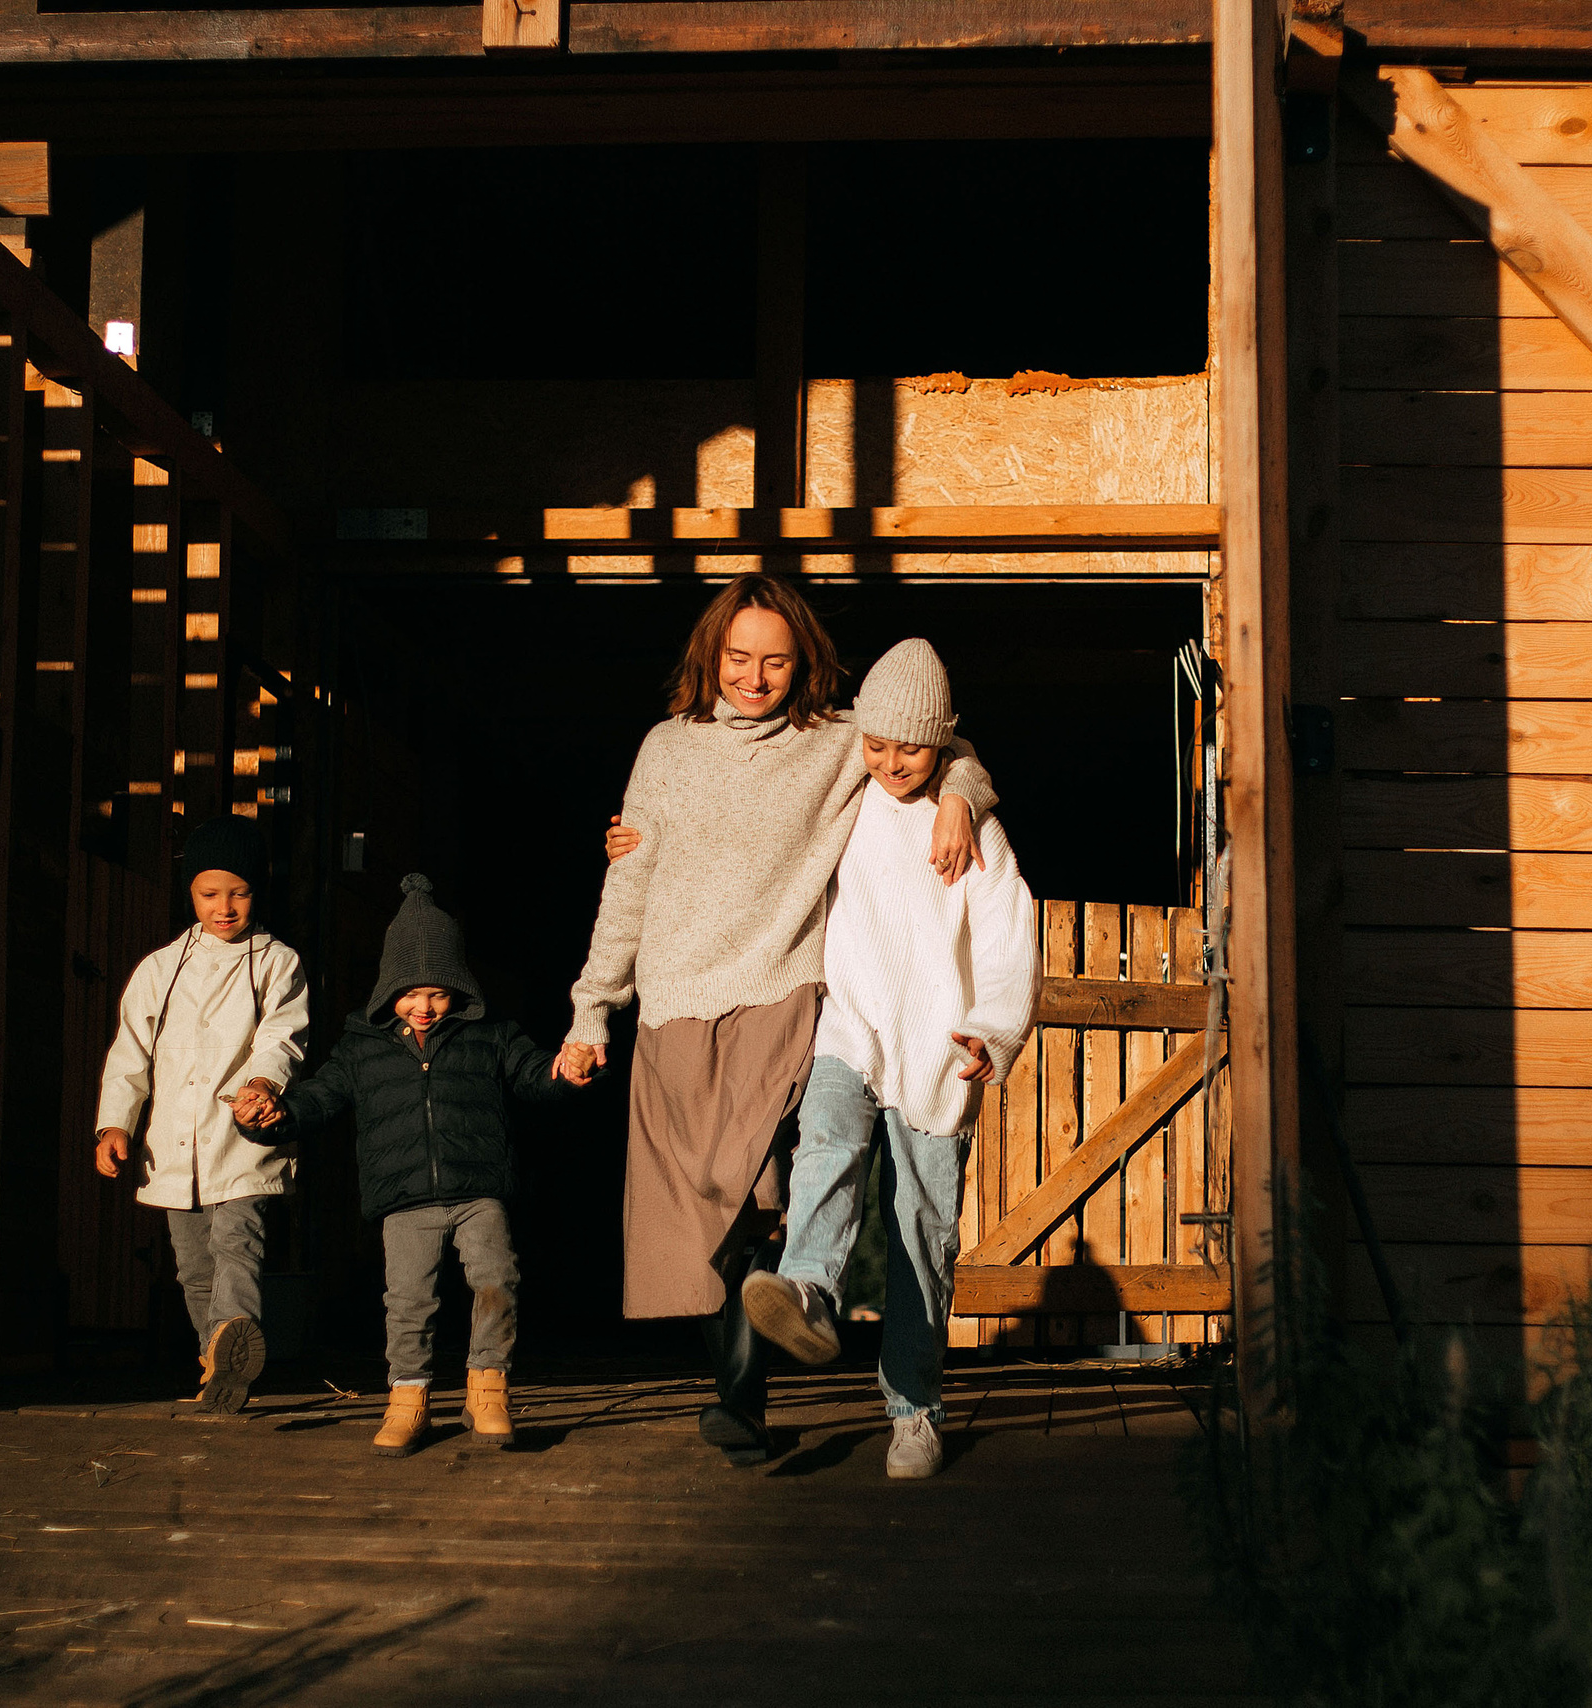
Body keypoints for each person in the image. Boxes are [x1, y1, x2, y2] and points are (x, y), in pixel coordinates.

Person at [560, 574, 997, 1467]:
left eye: (775, 661)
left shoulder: (836, 742)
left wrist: (960, 793)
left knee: (755, 1199)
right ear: (710, 656)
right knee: (694, 1224)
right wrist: (591, 1008)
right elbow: (629, 885)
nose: (754, 677)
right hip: (675, 998)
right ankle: (745, 1398)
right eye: (738, 658)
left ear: (804, 666)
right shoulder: (666, 748)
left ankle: (762, 1372)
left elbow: (937, 746)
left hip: (781, 993)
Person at [737, 639, 1036, 1480]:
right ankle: (806, 1289)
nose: (891, 762)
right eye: (876, 744)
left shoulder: (976, 830)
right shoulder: (844, 796)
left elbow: (1012, 936)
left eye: (912, 747)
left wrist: (994, 1027)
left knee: (920, 1235)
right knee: (827, 1141)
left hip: (938, 1045)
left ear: (943, 742)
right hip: (853, 1020)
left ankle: (914, 1411)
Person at [246, 874, 579, 1457]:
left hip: (480, 1187)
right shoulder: (361, 1047)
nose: (424, 1007)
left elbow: (534, 1075)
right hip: (403, 1197)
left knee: (497, 1280)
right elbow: (318, 1099)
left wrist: (565, 1070)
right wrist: (271, 1116)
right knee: (408, 1301)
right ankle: (408, 1399)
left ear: (460, 989)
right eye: (410, 993)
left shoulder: (490, 1036)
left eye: (439, 993)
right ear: (387, 990)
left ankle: (488, 1390)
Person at [95, 815, 310, 1415]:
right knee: (193, 1267)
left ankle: (236, 1330)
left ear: (257, 891)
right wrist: (115, 1124)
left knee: (237, 1245)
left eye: (238, 892)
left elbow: (282, 1036)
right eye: (209, 894)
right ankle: (218, 1365)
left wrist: (263, 1082)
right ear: (189, 893)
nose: (224, 907)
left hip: (241, 1135)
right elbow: (129, 1052)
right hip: (173, 1144)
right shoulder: (160, 969)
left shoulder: (277, 962)